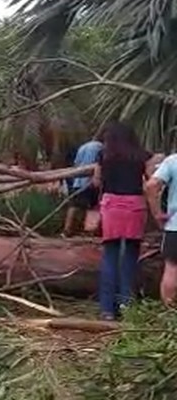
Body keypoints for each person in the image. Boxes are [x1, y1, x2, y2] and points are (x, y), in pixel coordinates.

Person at [92, 122, 154, 320]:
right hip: (134, 207)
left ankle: (107, 309)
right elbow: (151, 180)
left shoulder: (103, 155)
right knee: (130, 257)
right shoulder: (143, 156)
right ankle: (126, 305)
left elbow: (96, 181)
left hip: (111, 207)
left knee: (109, 256)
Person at [146, 152, 177, 306]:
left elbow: (151, 185)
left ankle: (170, 313)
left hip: (175, 225)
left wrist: (157, 213)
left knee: (172, 268)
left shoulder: (173, 161)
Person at [63, 135, 104, 236]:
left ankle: (67, 230)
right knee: (93, 205)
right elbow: (99, 163)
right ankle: (89, 230)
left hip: (78, 181)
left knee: (74, 205)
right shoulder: (101, 147)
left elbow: (76, 163)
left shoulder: (83, 147)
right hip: (90, 181)